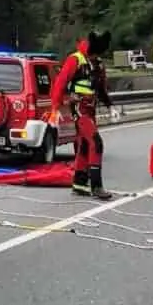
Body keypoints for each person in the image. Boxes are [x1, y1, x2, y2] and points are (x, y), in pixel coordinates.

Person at [49, 30, 115, 199]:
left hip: (91, 109)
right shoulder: (75, 60)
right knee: (96, 142)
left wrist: (110, 106)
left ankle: (79, 183)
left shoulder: (98, 64)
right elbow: (60, 83)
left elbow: (101, 88)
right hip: (79, 109)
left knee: (85, 145)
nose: (96, 58)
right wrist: (56, 107)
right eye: (94, 55)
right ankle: (96, 186)